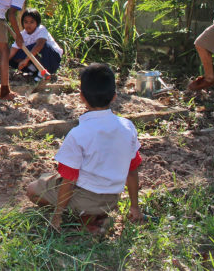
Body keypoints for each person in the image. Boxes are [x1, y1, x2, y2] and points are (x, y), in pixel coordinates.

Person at [26, 63, 143, 234]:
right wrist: (135, 207)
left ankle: (84, 221)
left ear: (81, 97)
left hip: (86, 198)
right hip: (111, 199)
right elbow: (132, 170)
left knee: (33, 189)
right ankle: (96, 217)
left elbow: (69, 181)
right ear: (114, 97)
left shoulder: (78, 134)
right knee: (51, 179)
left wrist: (56, 217)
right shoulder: (128, 127)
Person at [0, 8, 62, 80]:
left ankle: (43, 71)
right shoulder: (22, 35)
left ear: (37, 22)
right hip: (35, 60)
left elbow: (40, 45)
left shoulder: (41, 30)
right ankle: (33, 70)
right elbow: (11, 52)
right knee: (12, 57)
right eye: (26, 22)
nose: (28, 25)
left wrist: (26, 60)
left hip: (53, 59)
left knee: (42, 46)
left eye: (32, 22)